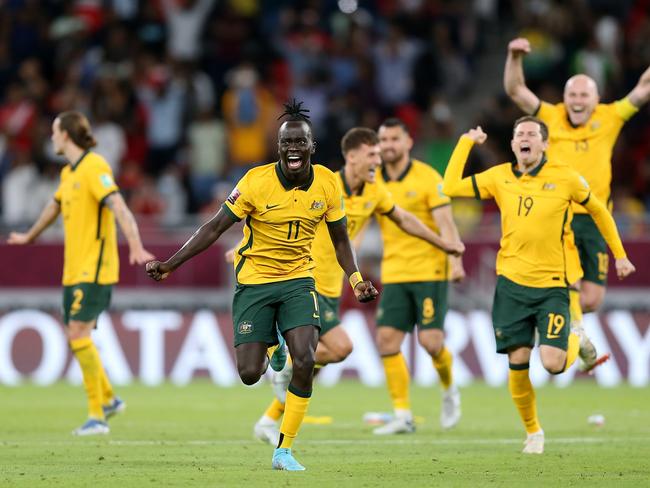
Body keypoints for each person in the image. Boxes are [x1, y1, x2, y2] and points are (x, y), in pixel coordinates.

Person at [145, 101, 379, 471]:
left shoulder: (328, 184)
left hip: (300, 280)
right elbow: (214, 228)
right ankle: (274, 346)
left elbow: (340, 240)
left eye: (300, 142)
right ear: (279, 147)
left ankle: (284, 449)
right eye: (286, 142)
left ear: (312, 147)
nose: (293, 148)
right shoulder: (255, 181)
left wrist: (356, 279)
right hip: (254, 283)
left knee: (306, 360)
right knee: (250, 374)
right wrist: (171, 264)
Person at [250, 127, 465, 445]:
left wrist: (443, 243)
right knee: (341, 348)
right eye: (372, 155)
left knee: (316, 363)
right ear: (351, 157)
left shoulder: (374, 191)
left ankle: (269, 420)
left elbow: (404, 219)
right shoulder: (324, 184)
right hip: (305, 280)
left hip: (334, 286)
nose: (378, 161)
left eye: (379, 154)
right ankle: (283, 358)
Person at [442, 117, 635, 453]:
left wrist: (619, 255)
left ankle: (577, 339)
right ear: (514, 145)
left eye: (532, 134)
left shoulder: (566, 177)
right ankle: (533, 432)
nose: (525, 138)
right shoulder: (499, 176)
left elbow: (600, 212)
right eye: (519, 134)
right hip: (511, 286)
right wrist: (465, 143)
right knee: (517, 362)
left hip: (552, 288)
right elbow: (450, 187)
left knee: (553, 364)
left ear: (545, 144)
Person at [504, 37, 650, 369]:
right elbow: (515, 90)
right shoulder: (550, 117)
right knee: (566, 280)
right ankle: (569, 334)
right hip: (558, 217)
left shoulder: (610, 116)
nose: (578, 101)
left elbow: (644, 87)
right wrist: (514, 56)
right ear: (565, 98)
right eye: (572, 95)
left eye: (584, 95)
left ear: (596, 99)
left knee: (593, 299)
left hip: (597, 219)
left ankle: (563, 323)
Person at [8, 111, 154, 435]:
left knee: (77, 335)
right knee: (76, 337)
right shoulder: (67, 173)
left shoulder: (95, 167)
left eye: (54, 131)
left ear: (66, 135)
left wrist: (135, 244)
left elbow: (118, 205)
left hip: (96, 269)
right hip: (73, 271)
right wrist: (30, 236)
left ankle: (97, 416)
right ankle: (110, 399)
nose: (51, 137)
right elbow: (54, 206)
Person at [372, 118, 466, 434]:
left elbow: (445, 222)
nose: (388, 146)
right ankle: (402, 414)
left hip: (429, 269)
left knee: (430, 341)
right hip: (395, 271)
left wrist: (455, 259)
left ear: (408, 142)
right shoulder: (373, 181)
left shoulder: (428, 177)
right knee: (386, 340)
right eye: (383, 140)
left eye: (394, 139)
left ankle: (449, 388)